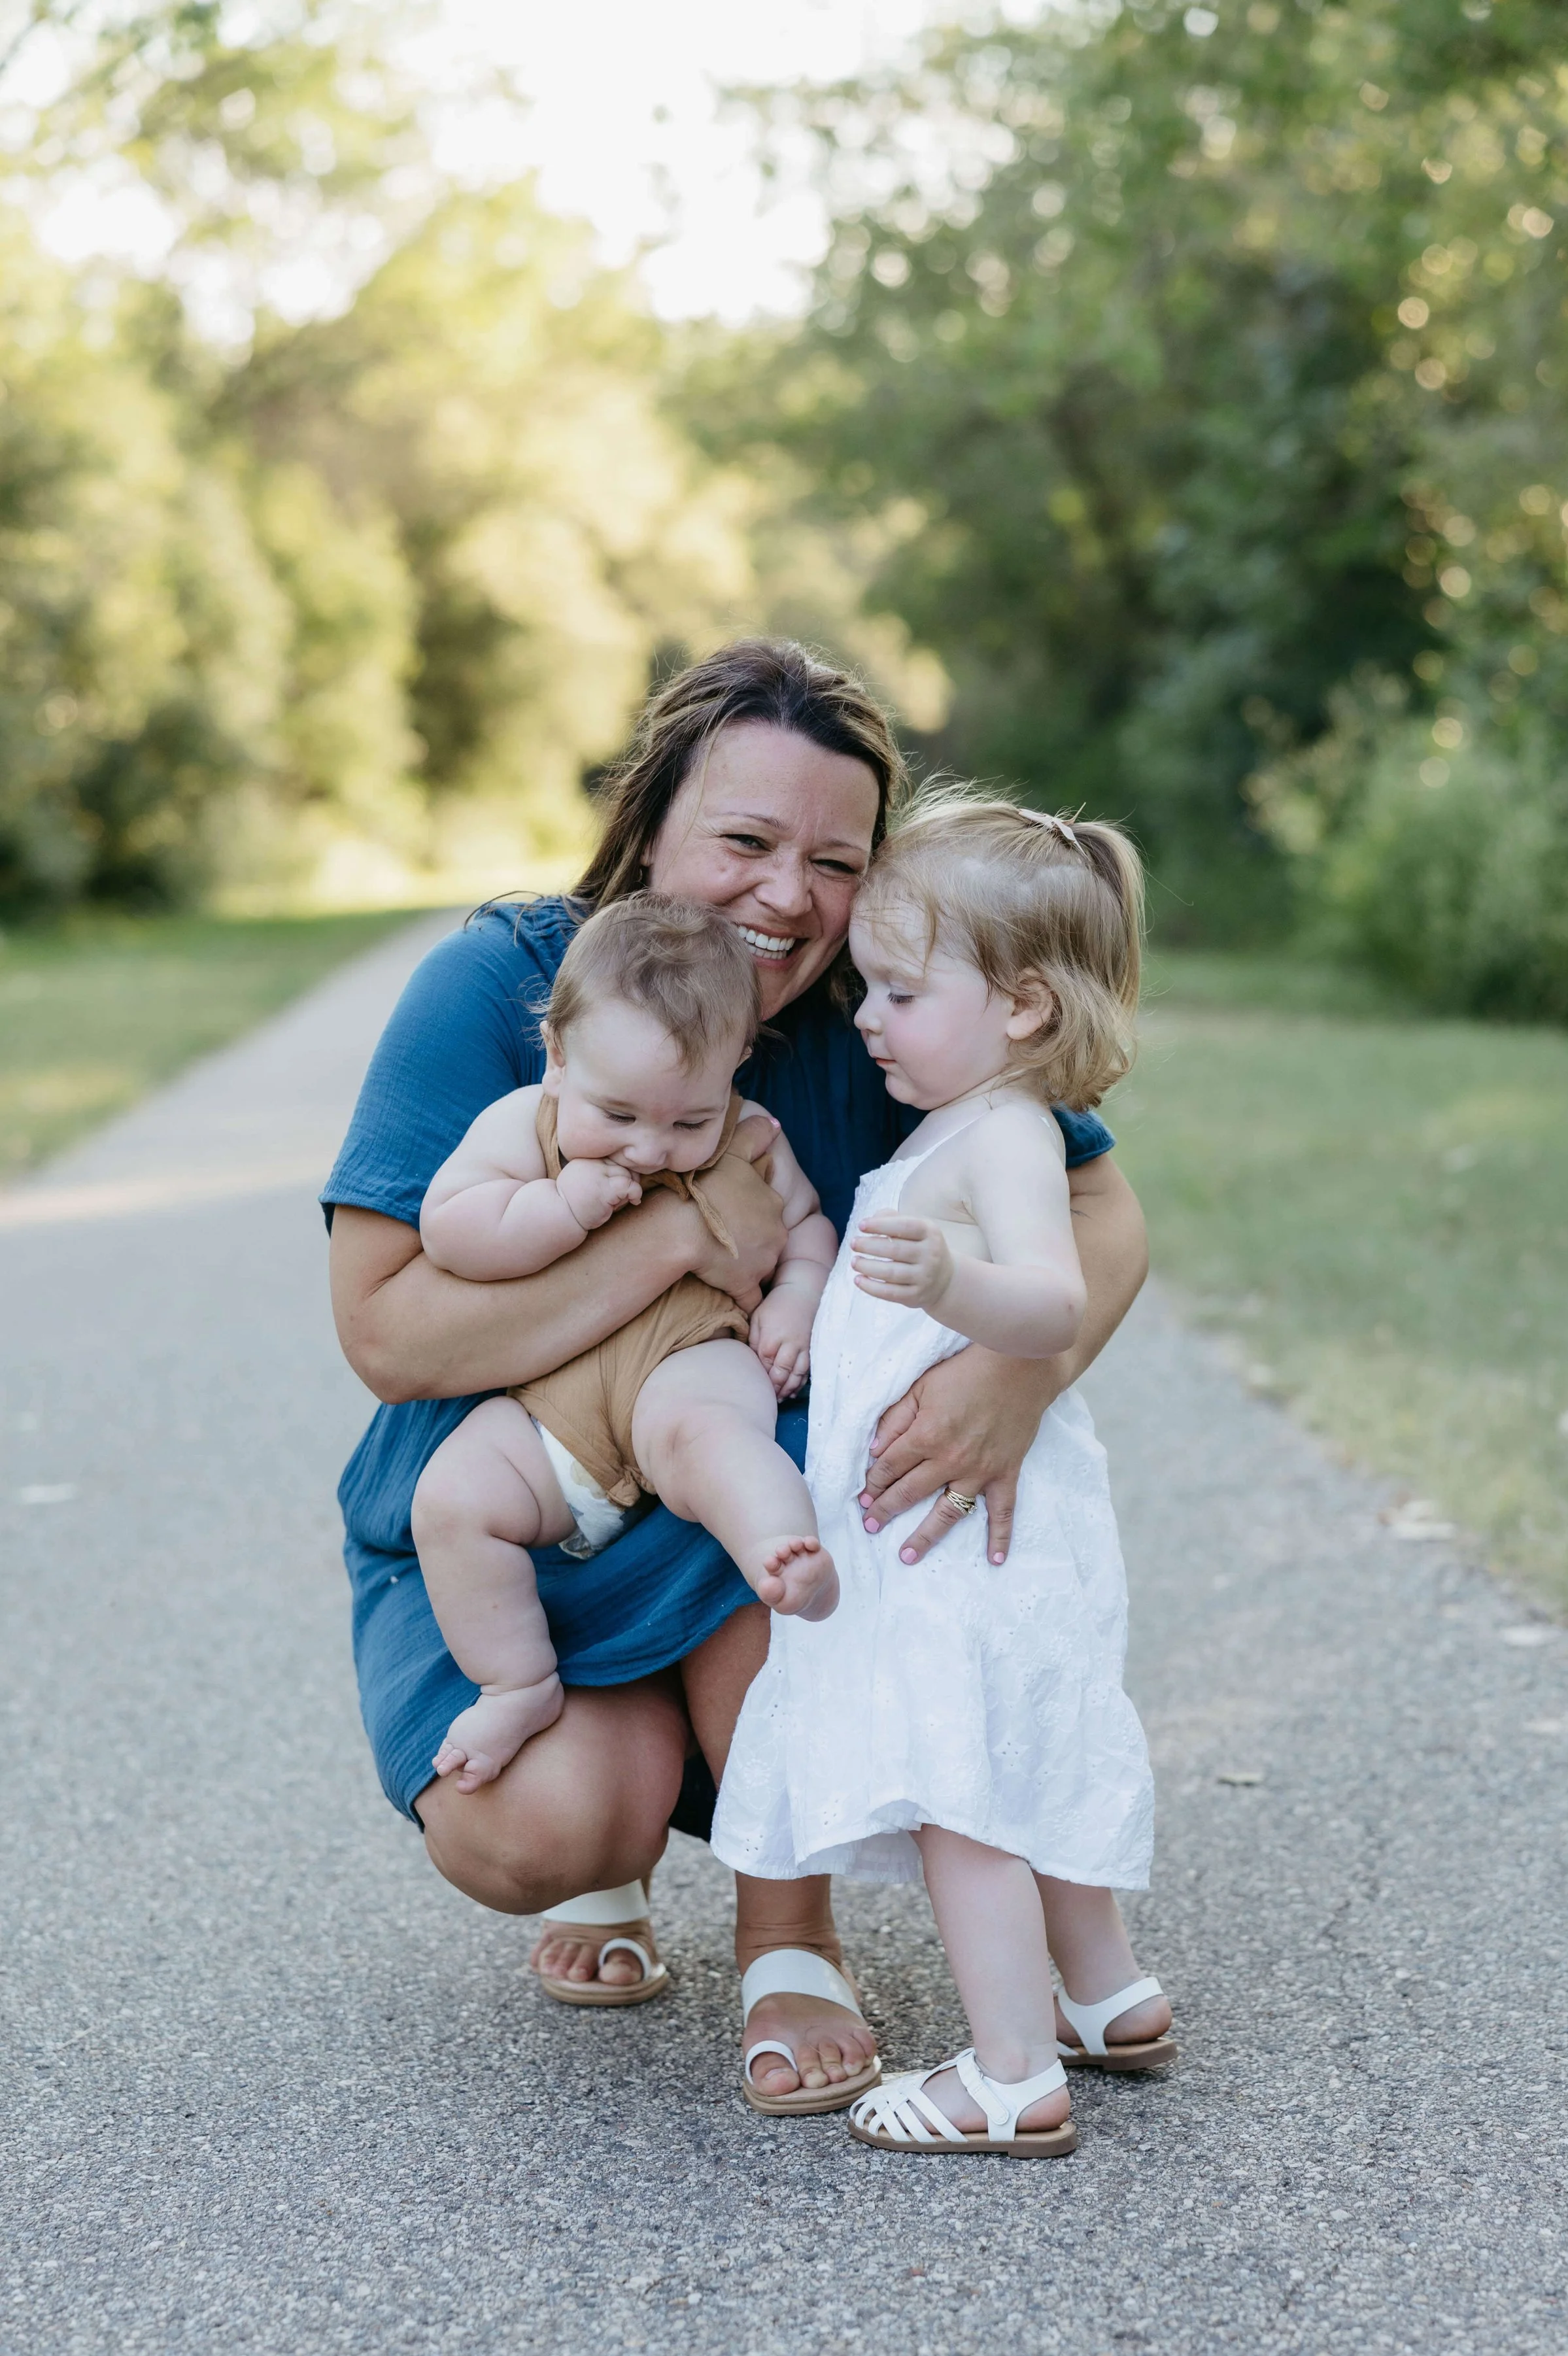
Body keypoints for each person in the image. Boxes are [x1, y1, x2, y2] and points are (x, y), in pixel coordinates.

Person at [325, 637, 1159, 2106]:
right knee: (552, 1822)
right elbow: (387, 1329)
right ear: (651, 823)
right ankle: (616, 1825)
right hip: (527, 1489)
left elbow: (1097, 1208)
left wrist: (1014, 1379)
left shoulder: (877, 1010)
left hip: (736, 1492)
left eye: (835, 860)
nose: (789, 895)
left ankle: (790, 1938)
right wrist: (670, 1239)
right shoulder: (509, 986)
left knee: (776, 1518)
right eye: (746, 841)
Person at [714, 793, 1175, 2155]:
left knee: (959, 1793)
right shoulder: (950, 1125)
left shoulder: (1003, 1138)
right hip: (945, 1531)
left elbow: (1047, 1297)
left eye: (902, 992)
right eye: (867, 987)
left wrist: (957, 1280)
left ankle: (1008, 2074)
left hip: (962, 1537)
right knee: (1015, 1758)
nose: (865, 1019)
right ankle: (1104, 1994)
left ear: (1023, 1008)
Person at [411, 895, 838, 1796]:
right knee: (452, 1501)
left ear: (735, 1067)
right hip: (555, 1405)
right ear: (559, 1055)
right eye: (621, 1114)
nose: (653, 1148)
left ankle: (783, 1551)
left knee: (712, 1439)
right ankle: (517, 1680)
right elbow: (451, 1229)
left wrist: (797, 1299)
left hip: (693, 1357)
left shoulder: (752, 1138)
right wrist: (555, 1208)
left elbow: (804, 1227)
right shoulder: (522, 1124)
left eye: (689, 1121)